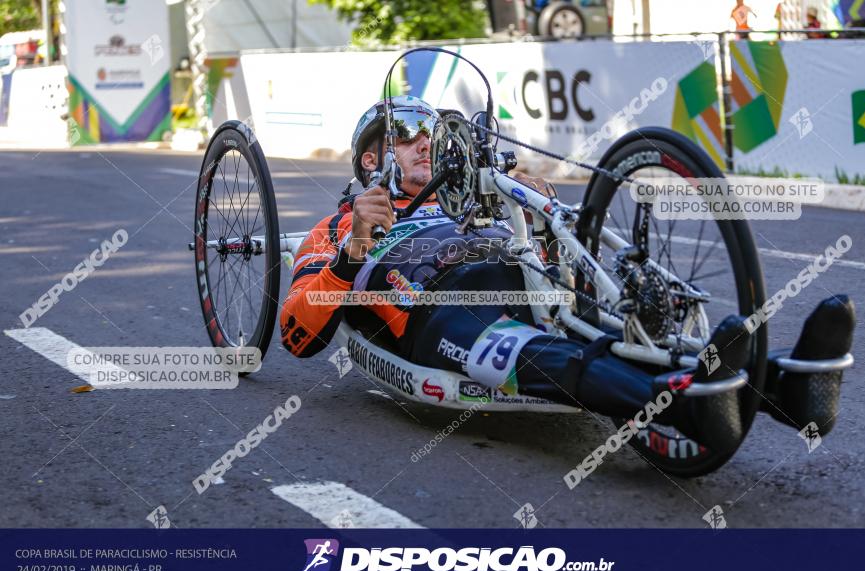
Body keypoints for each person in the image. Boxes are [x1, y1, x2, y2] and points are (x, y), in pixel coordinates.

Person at [279, 95, 751, 451]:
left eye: (432, 133)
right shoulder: (336, 226)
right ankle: (687, 408)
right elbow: (298, 336)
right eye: (404, 133)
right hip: (443, 312)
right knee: (556, 356)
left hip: (528, 285)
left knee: (618, 329)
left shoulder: (471, 201)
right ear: (370, 159)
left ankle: (782, 381)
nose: (425, 141)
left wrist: (540, 214)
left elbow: (557, 261)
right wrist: (354, 248)